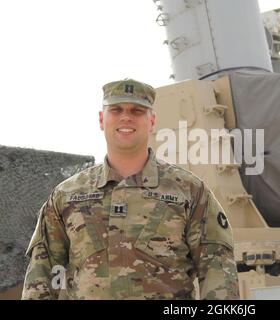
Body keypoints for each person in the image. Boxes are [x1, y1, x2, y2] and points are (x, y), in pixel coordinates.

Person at [22, 78, 240, 300]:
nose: (126, 117)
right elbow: (40, 274)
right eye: (116, 110)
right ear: (101, 119)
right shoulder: (67, 195)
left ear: (152, 121)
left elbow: (217, 270)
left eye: (137, 111)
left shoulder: (190, 191)